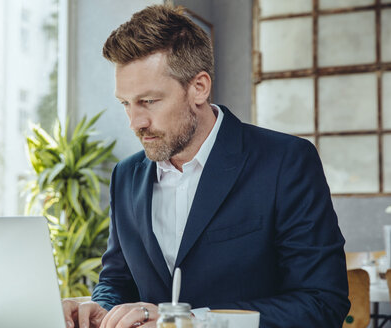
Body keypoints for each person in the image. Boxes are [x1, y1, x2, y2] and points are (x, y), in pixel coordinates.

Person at [62, 4, 350, 328]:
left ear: (199, 87)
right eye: (125, 103)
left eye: (149, 101)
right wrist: (101, 308)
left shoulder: (286, 162)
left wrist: (192, 321)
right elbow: (117, 281)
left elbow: (322, 302)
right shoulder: (125, 176)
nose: (135, 122)